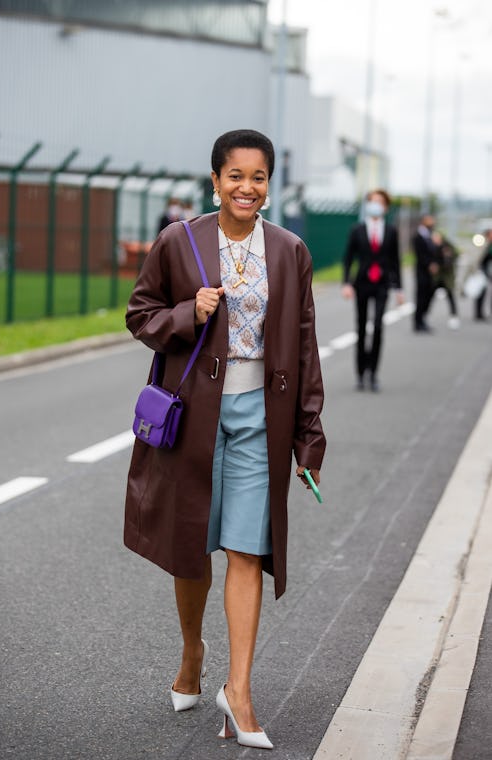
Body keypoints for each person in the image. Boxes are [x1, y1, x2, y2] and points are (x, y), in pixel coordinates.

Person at [124, 129, 326, 750]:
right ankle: (193, 651)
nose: (247, 187)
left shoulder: (290, 250)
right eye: (235, 176)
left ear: (270, 184)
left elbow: (306, 343)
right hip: (195, 417)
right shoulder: (178, 242)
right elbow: (140, 315)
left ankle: (238, 693)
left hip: (261, 418)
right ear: (214, 181)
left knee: (247, 549)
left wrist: (308, 435)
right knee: (195, 546)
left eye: (258, 177)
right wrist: (190, 313)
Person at [342, 189, 404, 392]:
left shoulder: (392, 231)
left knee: (378, 326)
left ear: (386, 207)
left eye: (379, 202)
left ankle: (373, 373)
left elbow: (396, 260)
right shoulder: (357, 229)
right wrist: (346, 283)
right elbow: (349, 257)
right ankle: (360, 373)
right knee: (361, 327)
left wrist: (399, 288)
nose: (375, 205)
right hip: (362, 282)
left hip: (383, 283)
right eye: (372, 201)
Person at [412, 214, 439, 332]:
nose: (432, 222)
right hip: (422, 271)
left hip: (430, 272)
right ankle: (418, 322)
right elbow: (420, 255)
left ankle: (423, 319)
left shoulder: (431, 235)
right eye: (429, 220)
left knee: (428, 295)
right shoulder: (418, 237)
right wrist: (429, 264)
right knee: (421, 297)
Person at [431, 231, 460, 329]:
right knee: (429, 295)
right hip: (437, 277)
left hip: (447, 276)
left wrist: (448, 255)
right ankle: (425, 315)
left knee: (450, 296)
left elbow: (456, 255)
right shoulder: (432, 246)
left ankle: (454, 316)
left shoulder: (447, 246)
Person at [474, 228, 492, 321]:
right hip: (483, 271)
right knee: (481, 292)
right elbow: (479, 259)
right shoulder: (484, 245)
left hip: (488, 271)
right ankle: (478, 313)